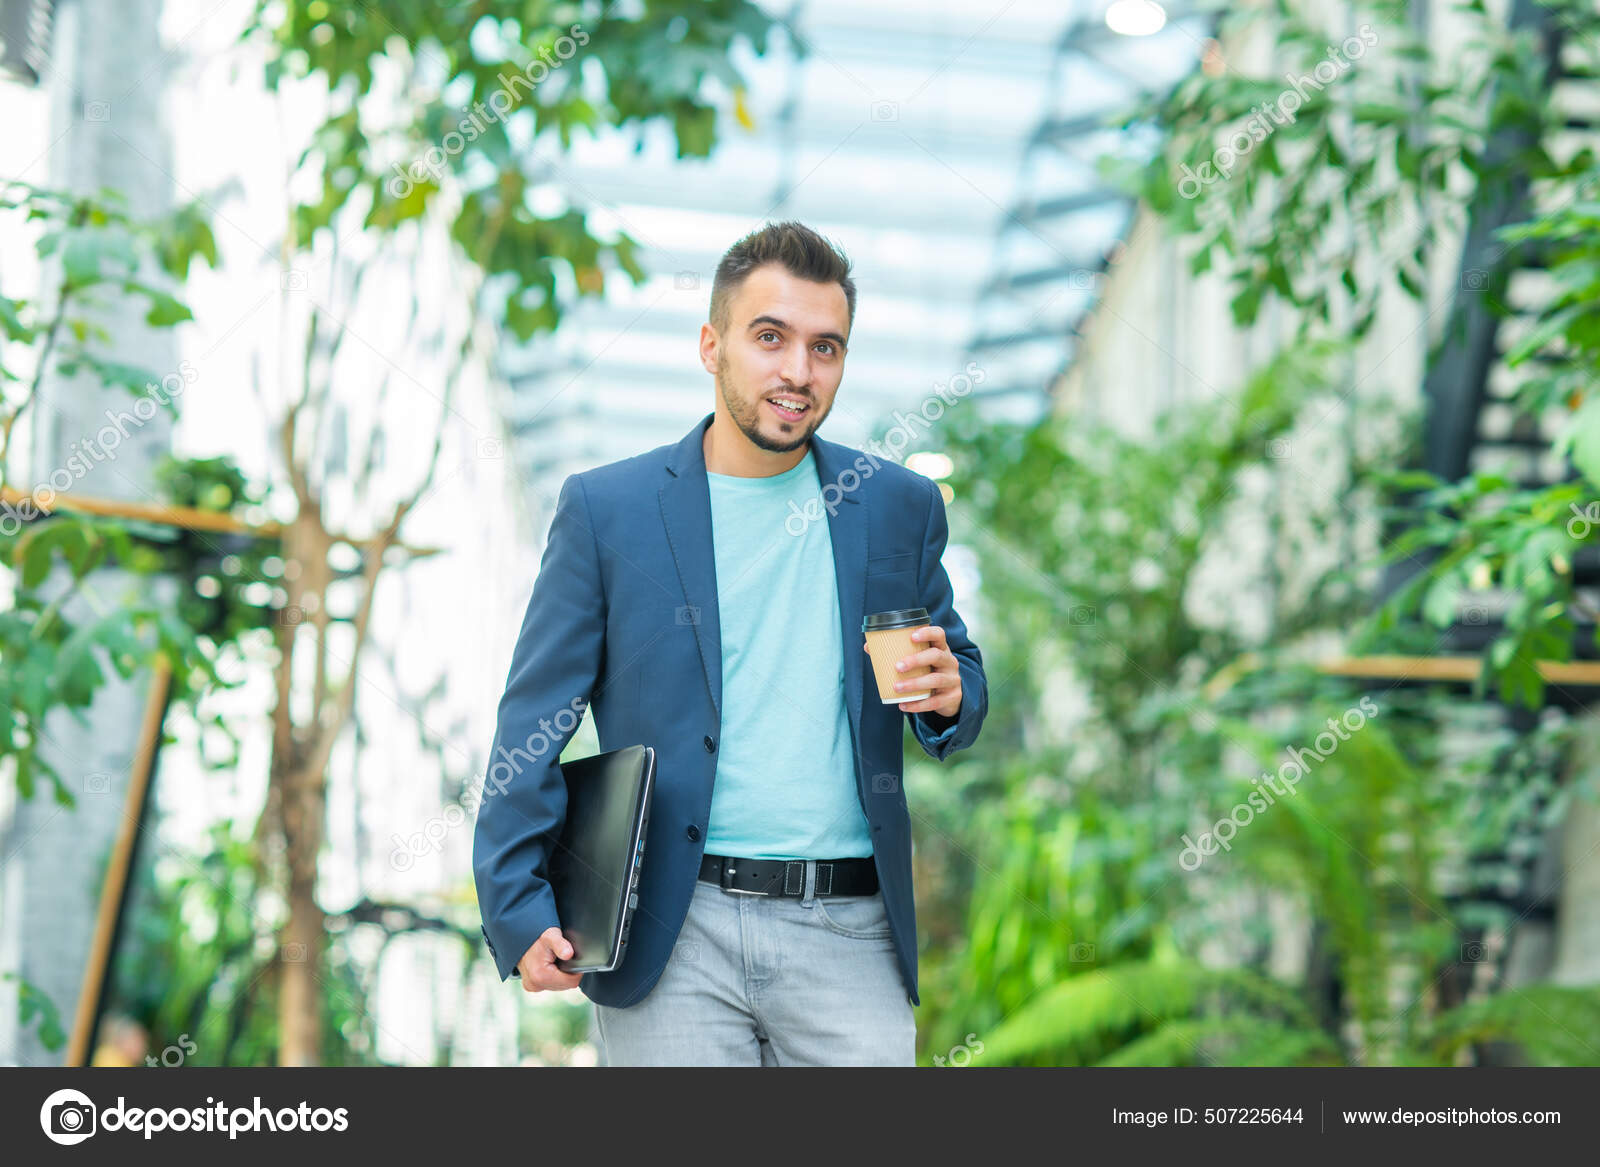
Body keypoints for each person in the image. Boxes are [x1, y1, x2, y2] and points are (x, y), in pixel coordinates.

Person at [472, 220, 987, 1065]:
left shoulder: (896, 505)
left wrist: (953, 692)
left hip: (849, 930)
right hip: (672, 927)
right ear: (711, 345)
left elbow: (957, 672)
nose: (798, 371)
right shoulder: (610, 512)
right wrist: (516, 903)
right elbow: (533, 718)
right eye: (771, 337)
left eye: (827, 347)